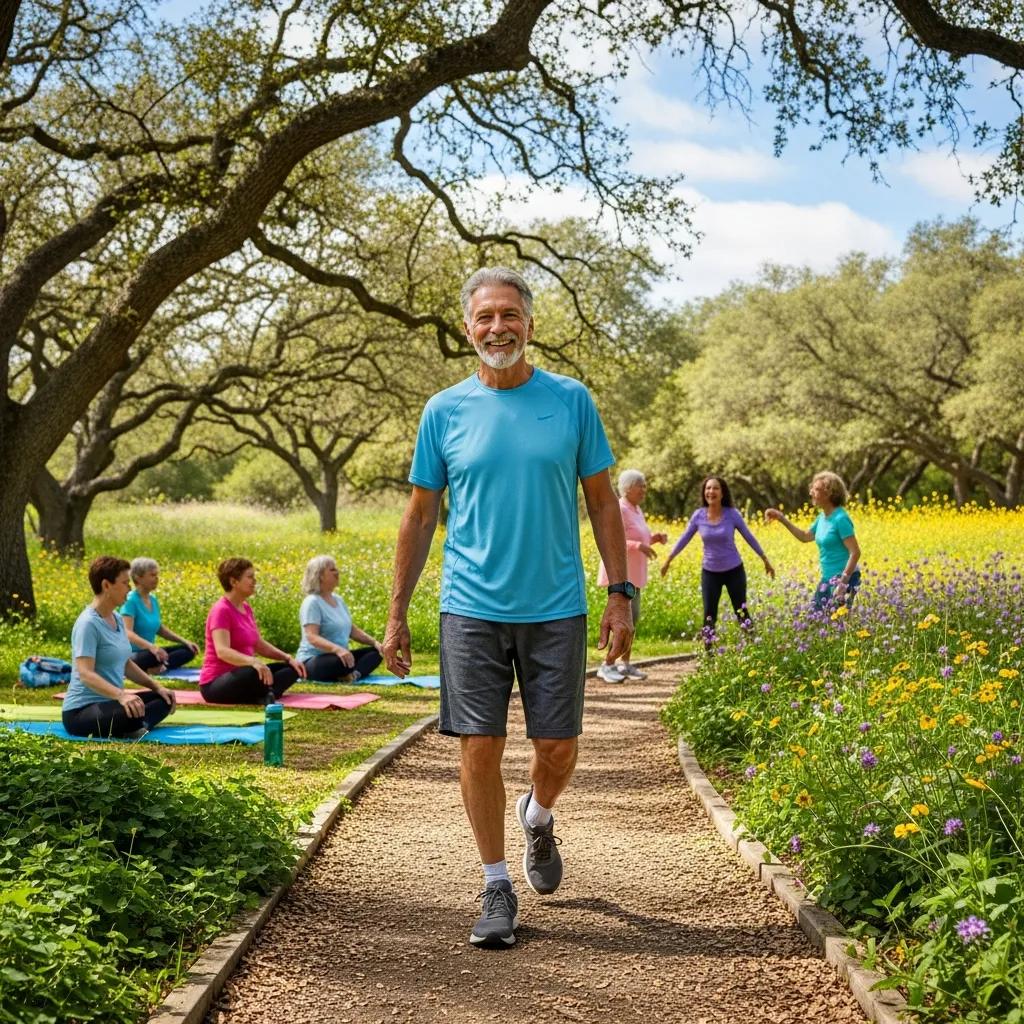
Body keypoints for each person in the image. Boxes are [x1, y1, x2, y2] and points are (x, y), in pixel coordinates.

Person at [382, 266, 633, 949]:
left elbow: (603, 502)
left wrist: (620, 594)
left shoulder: (572, 401)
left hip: (556, 607)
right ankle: (496, 884)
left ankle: (539, 814)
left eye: (509, 316)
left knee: (557, 747)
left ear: (529, 322)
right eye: (485, 318)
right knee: (478, 747)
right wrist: (398, 613)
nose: (498, 328)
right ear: (468, 329)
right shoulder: (444, 411)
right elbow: (421, 514)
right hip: (470, 608)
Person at [62, 556, 177, 738]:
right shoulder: (88, 624)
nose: (129, 589)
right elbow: (85, 674)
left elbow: (126, 663)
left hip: (112, 703)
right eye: (125, 583)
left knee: (163, 699)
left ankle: (135, 726)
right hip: (81, 712)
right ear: (106, 585)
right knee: (130, 713)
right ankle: (134, 725)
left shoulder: (116, 618)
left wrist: (157, 687)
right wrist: (121, 695)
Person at [661, 475, 774, 647]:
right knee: (709, 614)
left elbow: (749, 537)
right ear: (704, 492)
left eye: (715, 488)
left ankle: (756, 648)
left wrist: (765, 559)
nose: (711, 492)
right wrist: (668, 559)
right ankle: (709, 656)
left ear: (722, 493)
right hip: (710, 572)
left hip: (734, 570)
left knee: (741, 611)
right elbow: (684, 538)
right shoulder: (698, 516)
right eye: (708, 488)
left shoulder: (732, 515)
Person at [199, 558, 306, 704]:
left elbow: (258, 643)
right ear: (233, 582)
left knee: (292, 669)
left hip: (245, 674)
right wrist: (252, 661)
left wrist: (287, 657)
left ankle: (265, 694)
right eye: (250, 577)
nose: (254, 581)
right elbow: (222, 651)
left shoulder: (246, 608)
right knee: (252, 672)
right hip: (216, 683)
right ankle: (265, 693)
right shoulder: (221, 610)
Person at [595, 469, 668, 682]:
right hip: (621, 576)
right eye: (641, 485)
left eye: (645, 485)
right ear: (628, 488)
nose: (644, 489)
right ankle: (606, 665)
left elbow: (638, 537)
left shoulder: (635, 509)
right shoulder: (619, 507)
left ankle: (624, 664)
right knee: (623, 621)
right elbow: (611, 538)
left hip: (635, 575)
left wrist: (653, 539)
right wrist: (639, 545)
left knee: (632, 621)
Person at [765, 470, 862, 609]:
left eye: (816, 489)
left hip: (844, 578)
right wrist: (781, 518)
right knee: (814, 621)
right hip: (827, 578)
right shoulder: (822, 517)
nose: (811, 492)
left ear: (830, 493)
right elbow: (805, 536)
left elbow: (855, 552)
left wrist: (842, 584)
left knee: (837, 626)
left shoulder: (840, 519)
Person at [296, 555, 384, 682]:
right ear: (319, 575)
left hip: (340, 655)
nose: (337, 572)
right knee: (340, 662)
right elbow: (311, 637)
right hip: (314, 659)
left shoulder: (338, 600)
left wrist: (375, 643)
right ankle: (347, 672)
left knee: (374, 654)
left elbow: (352, 630)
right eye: (332, 570)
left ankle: (353, 675)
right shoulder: (312, 602)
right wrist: (337, 649)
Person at [120, 557, 199, 674]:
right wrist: (151, 647)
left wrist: (185, 641)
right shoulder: (131, 601)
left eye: (157, 575)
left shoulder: (153, 600)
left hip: (151, 652)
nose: (156, 578)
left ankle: (158, 668)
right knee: (152, 656)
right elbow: (128, 633)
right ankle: (156, 667)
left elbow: (160, 629)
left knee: (188, 650)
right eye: (152, 575)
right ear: (138, 577)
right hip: (134, 654)